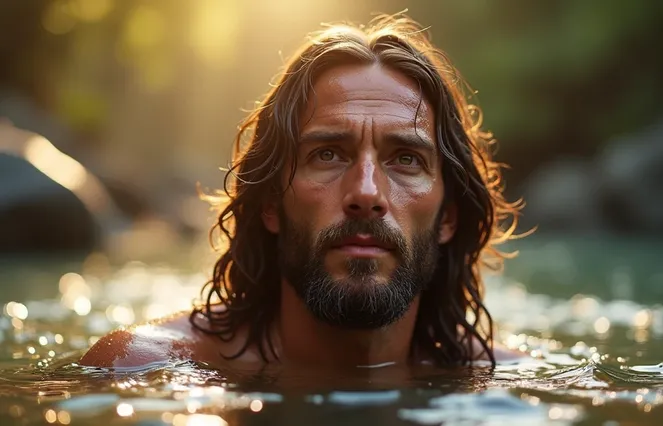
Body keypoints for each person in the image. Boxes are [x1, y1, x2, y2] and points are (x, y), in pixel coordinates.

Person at [80, 14, 523, 371]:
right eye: (328, 154)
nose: (366, 193)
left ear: (448, 217)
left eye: (406, 159)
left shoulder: (507, 382)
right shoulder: (140, 369)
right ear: (272, 203)